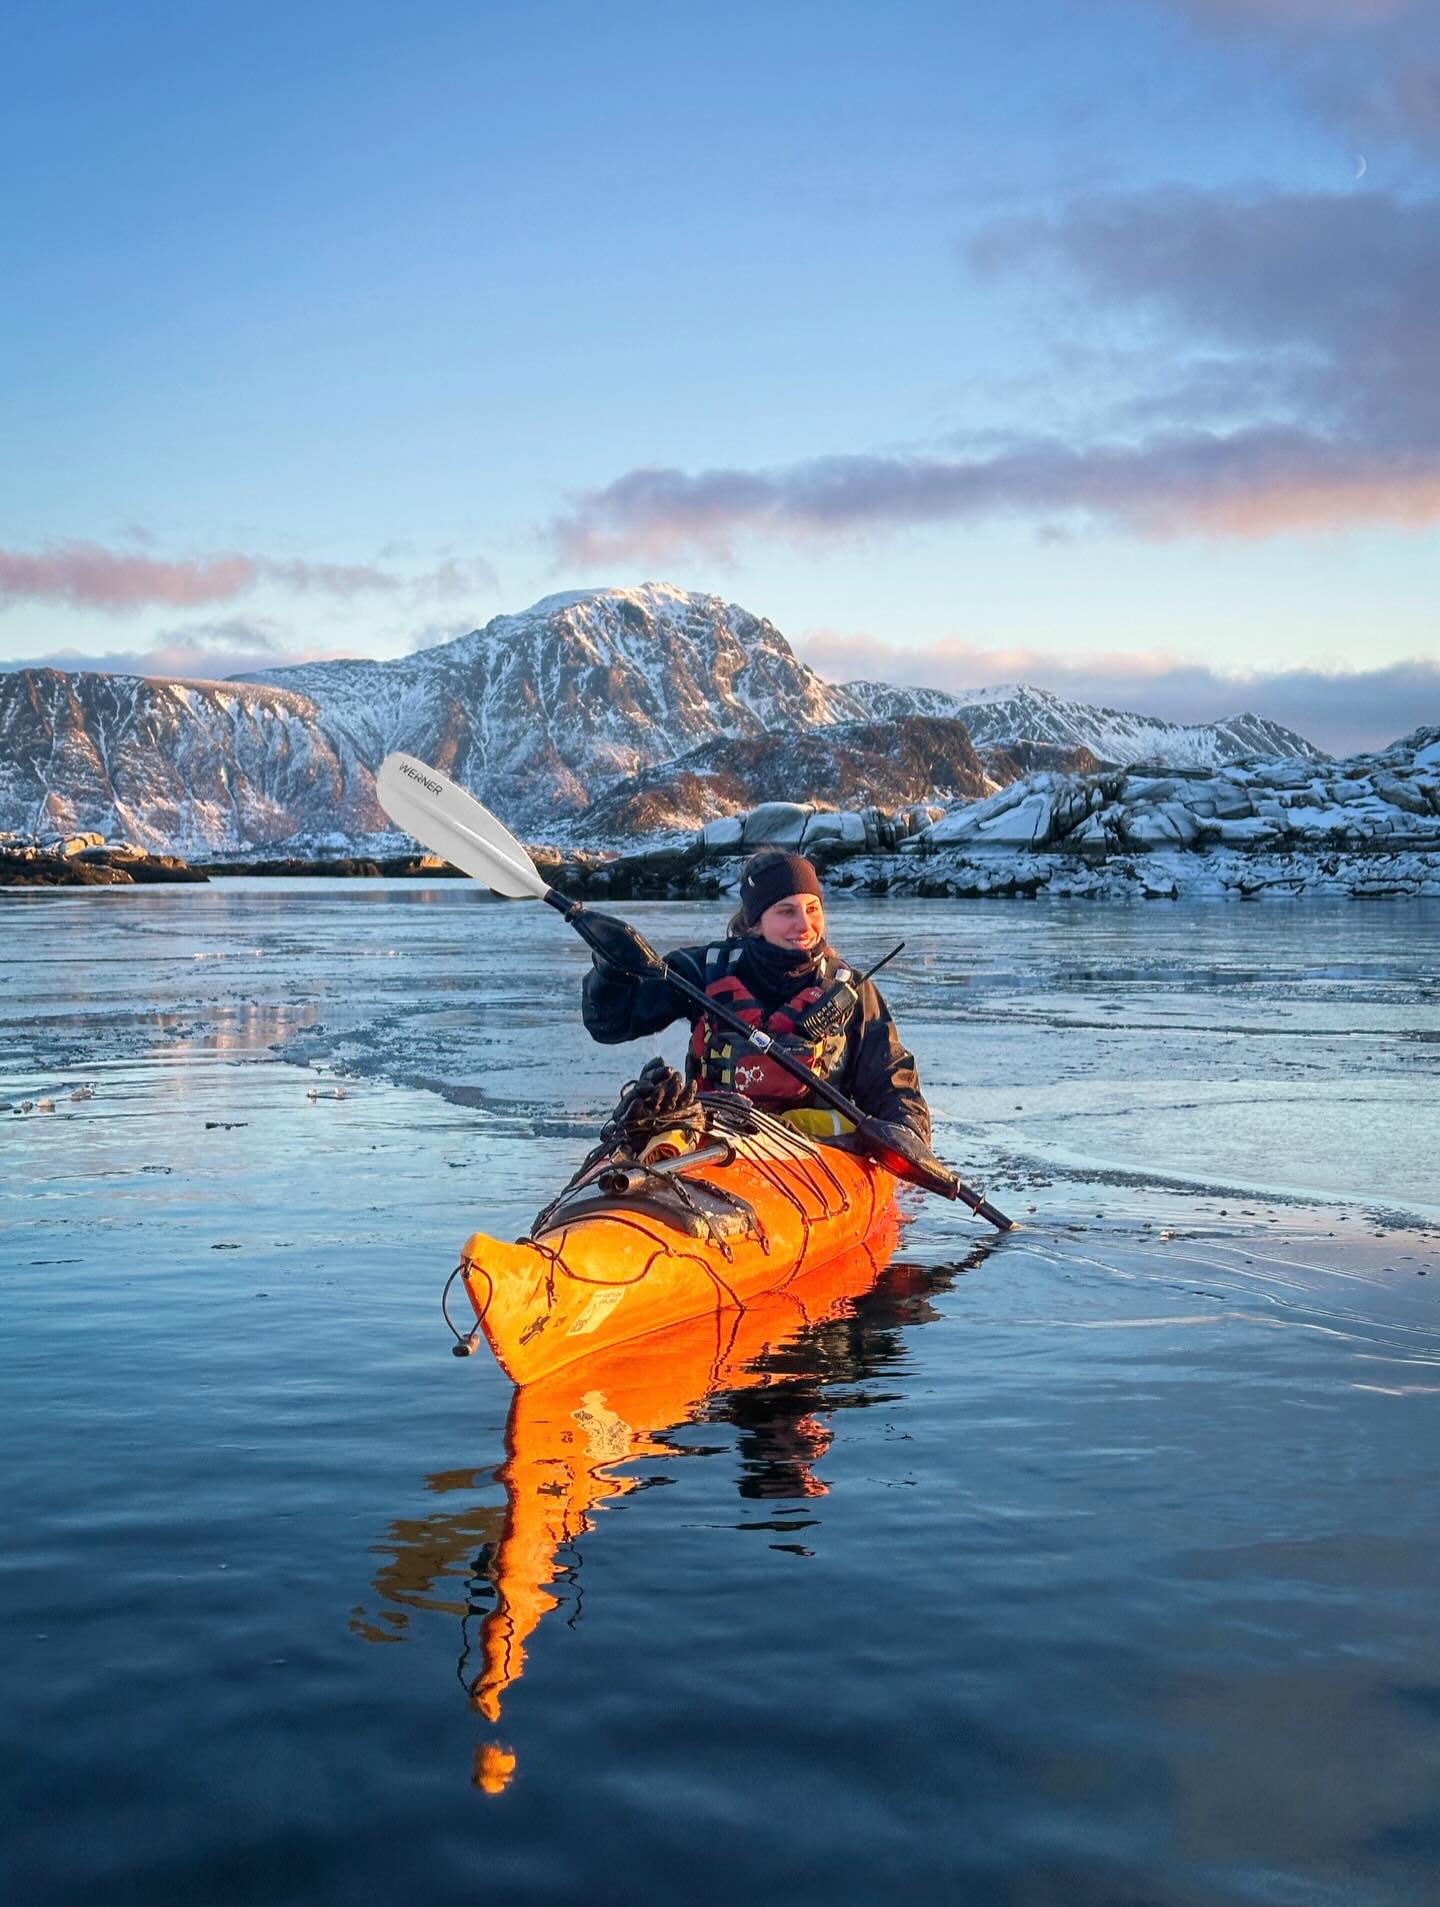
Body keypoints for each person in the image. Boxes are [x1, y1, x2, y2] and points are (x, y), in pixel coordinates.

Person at [581, 849, 931, 1145]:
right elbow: (609, 1023)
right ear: (754, 922)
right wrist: (610, 971)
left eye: (812, 909)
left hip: (819, 1157)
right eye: (786, 911)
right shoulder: (706, 971)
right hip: (718, 1142)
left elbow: (893, 1084)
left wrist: (908, 1138)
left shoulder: (851, 990)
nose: (805, 926)